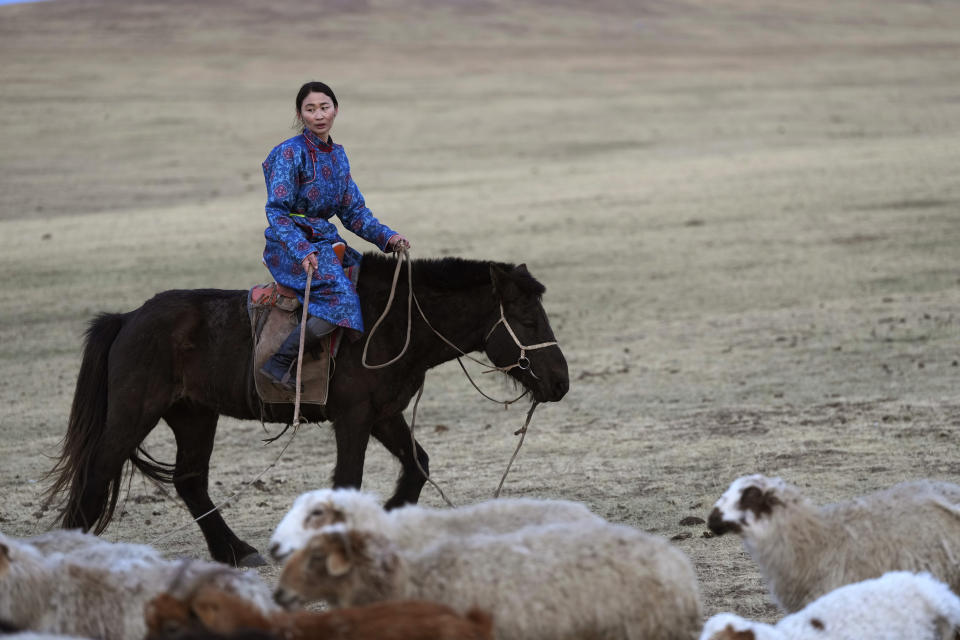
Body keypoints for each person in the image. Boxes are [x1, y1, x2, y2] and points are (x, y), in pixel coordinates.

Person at [259, 81, 410, 391]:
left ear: (336, 110)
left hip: (324, 241)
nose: (318, 115)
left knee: (369, 281)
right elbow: (277, 212)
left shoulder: (338, 157)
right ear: (300, 114)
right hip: (289, 245)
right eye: (310, 109)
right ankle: (280, 363)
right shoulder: (290, 153)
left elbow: (354, 212)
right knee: (341, 300)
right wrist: (302, 250)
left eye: (324, 107)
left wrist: (389, 238)